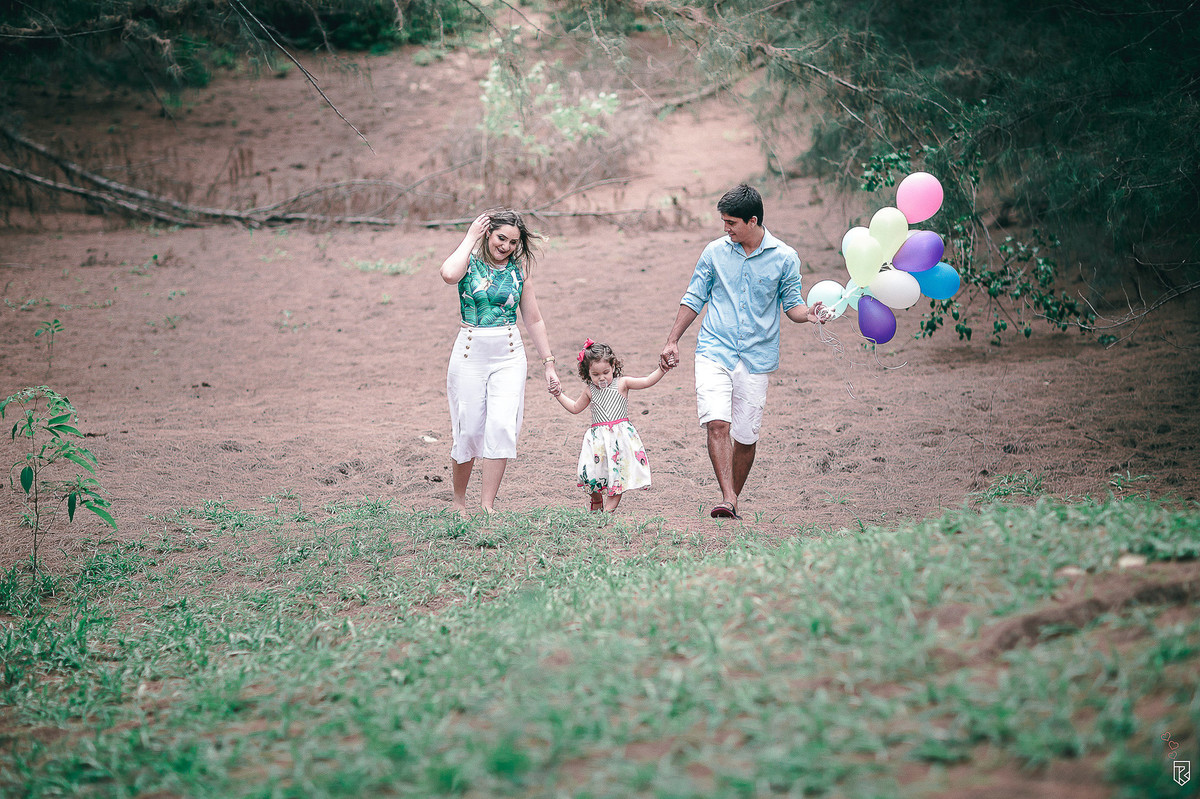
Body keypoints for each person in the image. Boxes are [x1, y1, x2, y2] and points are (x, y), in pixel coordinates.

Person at [659, 184, 828, 520]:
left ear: (752, 221)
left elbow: (792, 305)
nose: (726, 228)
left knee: (746, 436)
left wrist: (808, 314)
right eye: (724, 222)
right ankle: (727, 498)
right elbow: (694, 297)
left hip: (756, 357)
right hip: (714, 349)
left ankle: (732, 498)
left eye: (731, 222)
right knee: (716, 424)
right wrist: (672, 340)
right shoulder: (714, 252)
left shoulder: (785, 257)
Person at [440, 208, 561, 514]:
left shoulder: (519, 273)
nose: (505, 246)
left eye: (513, 242)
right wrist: (471, 236)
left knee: (502, 426)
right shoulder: (468, 263)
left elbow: (533, 320)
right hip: (470, 353)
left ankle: (487, 505)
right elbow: (448, 274)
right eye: (500, 238)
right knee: (468, 428)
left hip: (509, 355)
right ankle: (458, 501)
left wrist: (548, 362)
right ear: (488, 235)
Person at [550, 339, 666, 513]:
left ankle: (608, 512)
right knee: (591, 473)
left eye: (606, 372)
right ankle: (596, 499)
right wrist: (558, 394)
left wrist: (662, 369)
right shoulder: (590, 390)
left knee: (617, 474)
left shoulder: (622, 383)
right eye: (595, 374)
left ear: (613, 366)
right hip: (598, 440)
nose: (602, 377)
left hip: (619, 439)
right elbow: (575, 408)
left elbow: (647, 381)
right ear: (587, 373)